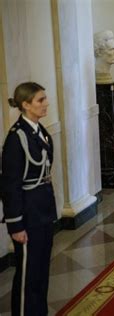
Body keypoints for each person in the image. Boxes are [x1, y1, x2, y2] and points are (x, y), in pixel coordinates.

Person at [1, 82, 56, 315]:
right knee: (28, 274)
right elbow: (10, 185)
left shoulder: (38, 131)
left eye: (45, 99)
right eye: (40, 100)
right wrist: (16, 224)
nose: (46, 104)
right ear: (25, 105)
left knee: (41, 271)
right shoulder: (16, 138)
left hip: (43, 209)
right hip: (28, 214)